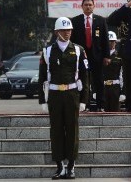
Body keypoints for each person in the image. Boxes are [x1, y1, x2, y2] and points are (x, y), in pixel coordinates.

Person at [38, 17, 89, 179]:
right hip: (54, 95)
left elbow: (85, 76)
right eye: (63, 30)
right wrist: (42, 100)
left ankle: (71, 166)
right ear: (56, 32)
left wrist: (83, 100)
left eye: (69, 30)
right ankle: (60, 166)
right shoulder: (47, 51)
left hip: (72, 94)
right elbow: (42, 77)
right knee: (56, 130)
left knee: (72, 129)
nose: (67, 33)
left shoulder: (79, 50)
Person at [71, 0, 110, 112]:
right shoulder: (75, 21)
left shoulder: (101, 20)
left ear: (94, 6)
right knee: (83, 81)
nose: (88, 7)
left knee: (98, 81)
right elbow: (72, 40)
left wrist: (107, 56)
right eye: (86, 5)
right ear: (82, 7)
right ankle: (85, 104)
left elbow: (105, 40)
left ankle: (100, 105)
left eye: (90, 5)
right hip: (82, 57)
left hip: (97, 56)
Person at [107, 0, 131, 112]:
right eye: (130, 1)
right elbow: (110, 20)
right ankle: (129, 103)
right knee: (128, 77)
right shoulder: (123, 14)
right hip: (126, 48)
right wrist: (126, 7)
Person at [103, 31, 123, 112]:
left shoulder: (120, 56)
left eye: (112, 41)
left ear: (115, 42)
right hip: (104, 87)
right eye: (108, 41)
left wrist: (123, 92)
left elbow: (123, 74)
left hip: (115, 87)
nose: (110, 43)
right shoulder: (101, 56)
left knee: (115, 112)